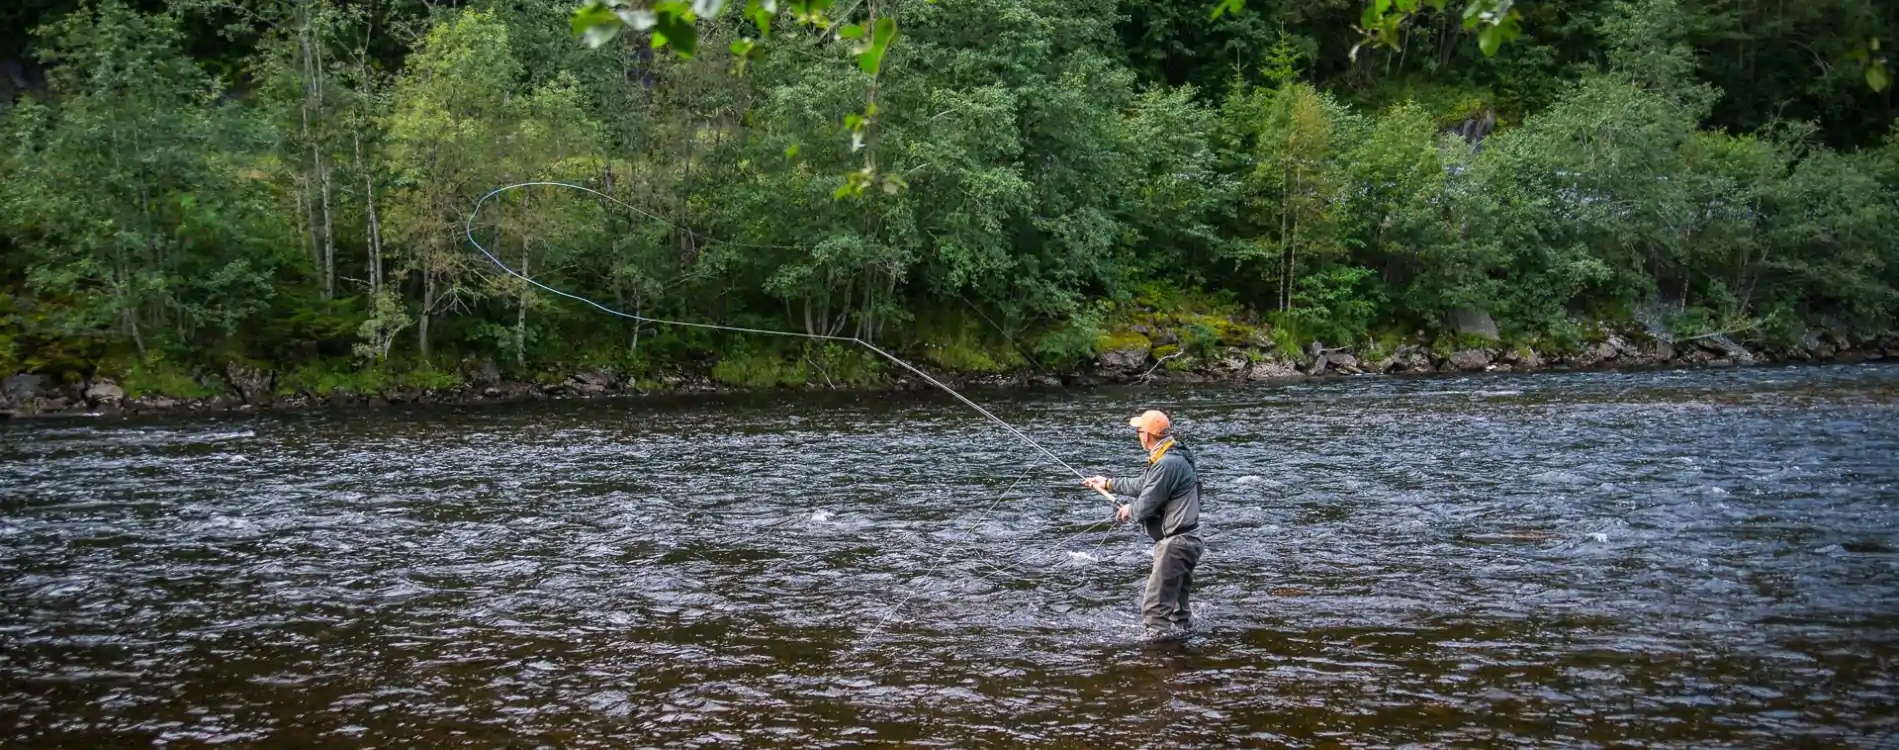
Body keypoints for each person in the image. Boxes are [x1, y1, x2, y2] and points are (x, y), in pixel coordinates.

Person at [1083, 409, 1203, 642]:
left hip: (1175, 545)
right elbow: (1145, 484)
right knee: (1178, 611)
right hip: (1188, 540)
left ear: (1146, 435)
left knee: (1155, 610)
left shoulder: (1166, 463)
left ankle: (1159, 656)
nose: (1137, 435)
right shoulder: (1175, 454)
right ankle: (1183, 653)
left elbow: (1145, 505)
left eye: (1138, 431)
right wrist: (1107, 483)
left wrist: (1130, 510)